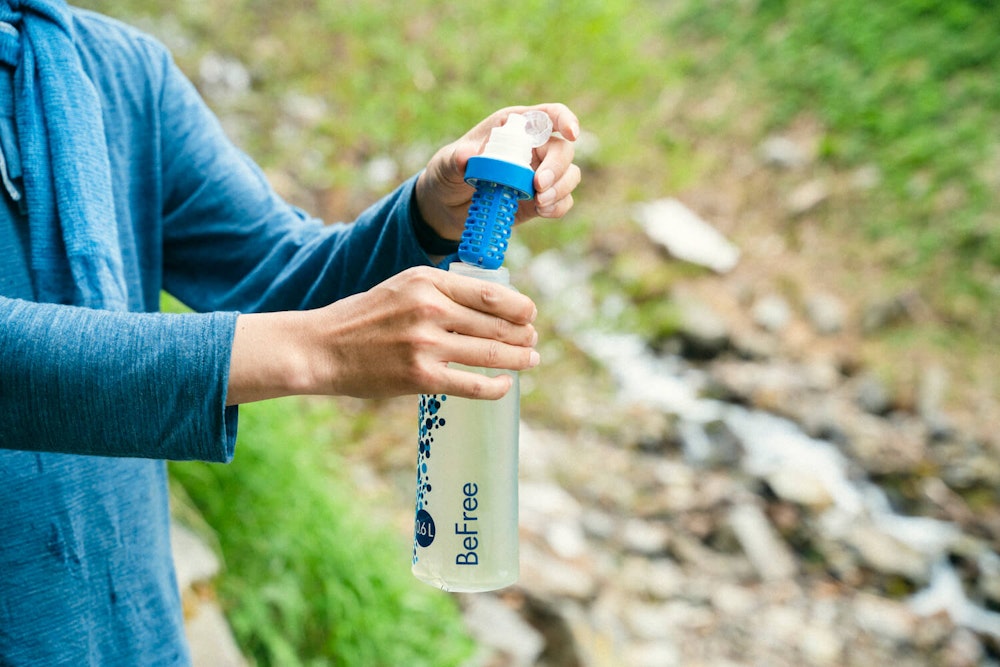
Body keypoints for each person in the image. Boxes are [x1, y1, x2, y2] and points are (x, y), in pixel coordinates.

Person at [0, 1, 581, 664]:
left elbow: (280, 270)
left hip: (123, 633)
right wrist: (313, 349)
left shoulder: (117, 72)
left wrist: (428, 213)